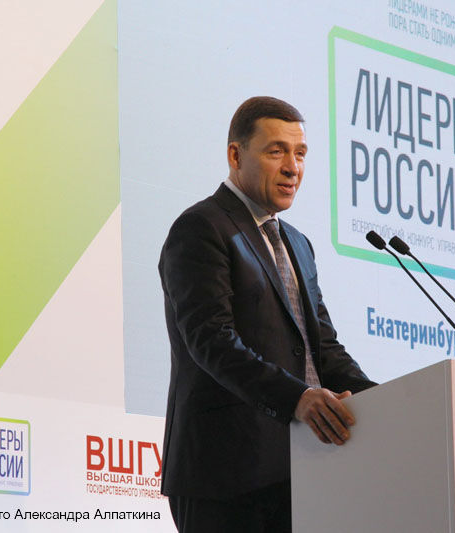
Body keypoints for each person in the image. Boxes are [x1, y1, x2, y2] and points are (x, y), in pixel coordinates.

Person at [158, 96, 377, 532]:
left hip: (304, 472)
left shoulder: (298, 244)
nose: (292, 168)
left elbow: (323, 351)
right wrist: (297, 398)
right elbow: (212, 341)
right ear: (235, 155)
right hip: (226, 475)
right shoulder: (202, 228)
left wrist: (391, 403)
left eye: (300, 154)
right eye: (276, 151)